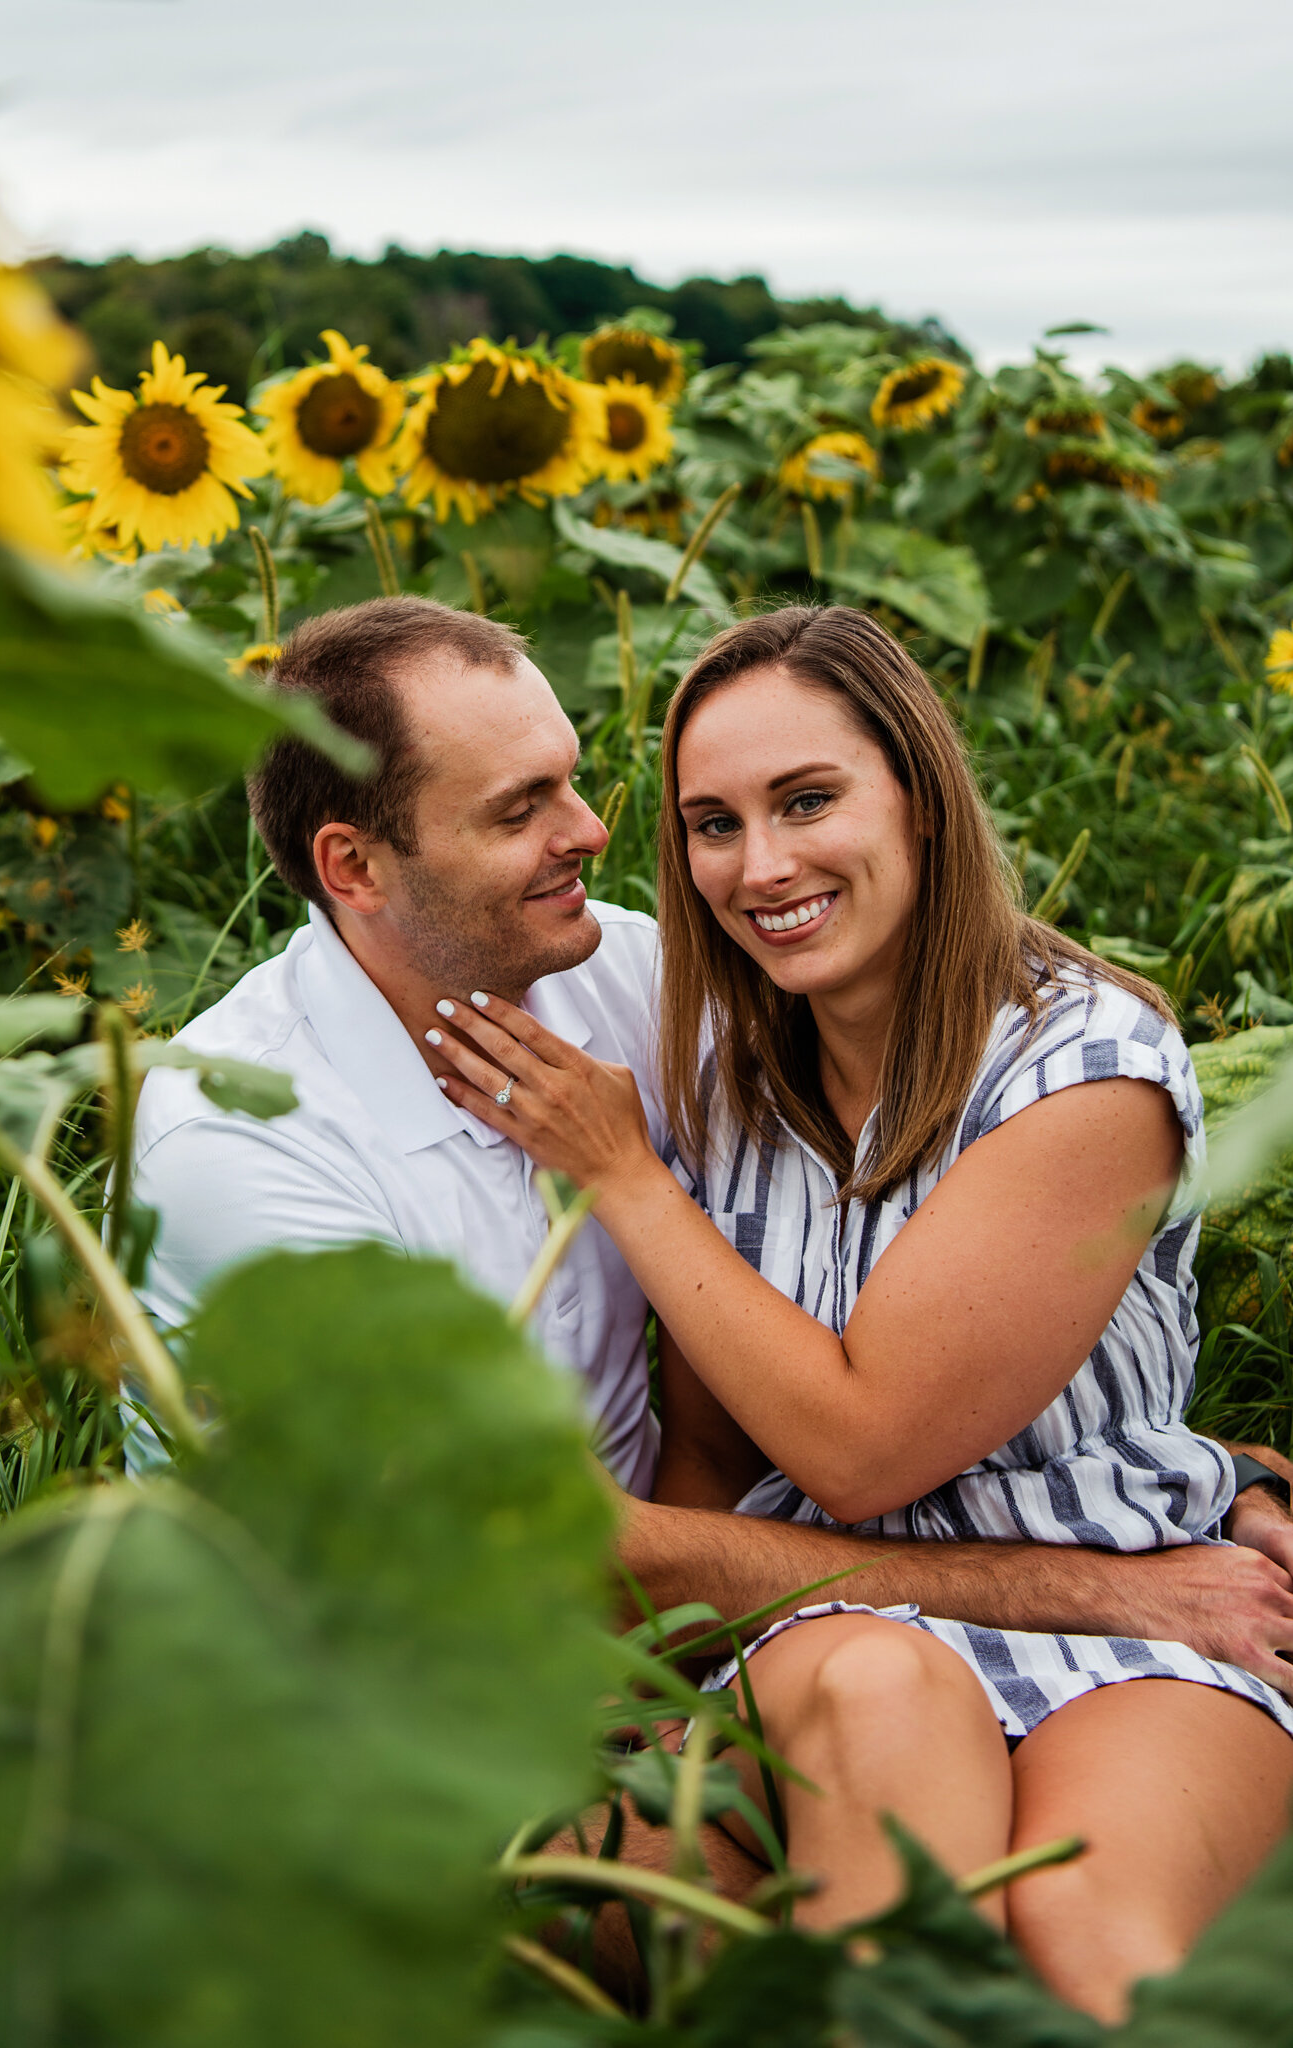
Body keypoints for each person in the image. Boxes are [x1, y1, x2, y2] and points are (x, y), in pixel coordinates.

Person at [131, 593, 1293, 1712]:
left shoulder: (616, 980)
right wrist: (1096, 1586)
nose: (590, 829)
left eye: (572, 778)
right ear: (356, 868)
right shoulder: (241, 1146)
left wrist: (1183, 1479)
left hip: (671, 1638)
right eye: (518, 807)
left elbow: (958, 1098)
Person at [420, 602, 1293, 2021]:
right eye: (712, 823)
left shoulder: (1081, 1072)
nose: (759, 867)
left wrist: (623, 1178)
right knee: (886, 1878)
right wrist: (653, 1679)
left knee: (1088, 1953)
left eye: (806, 800)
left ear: (922, 801)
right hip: (825, 1629)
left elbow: (866, 1449)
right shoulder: (723, 1088)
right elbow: (714, 1449)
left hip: (1147, 1619)